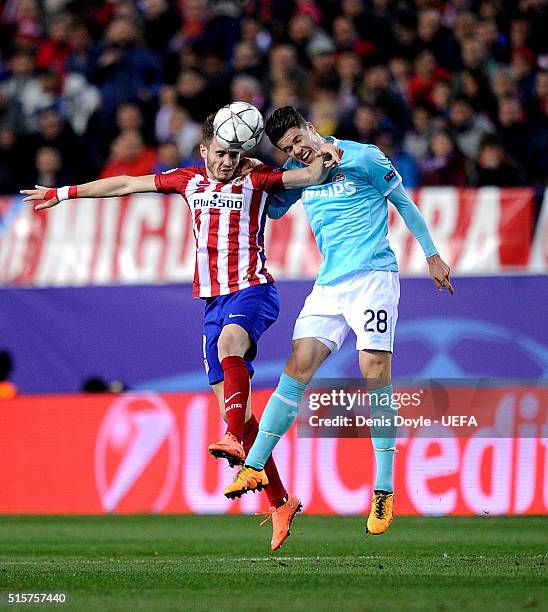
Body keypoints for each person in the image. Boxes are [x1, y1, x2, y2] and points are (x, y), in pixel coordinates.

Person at [21, 112, 341, 550]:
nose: (228, 162)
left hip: (253, 291)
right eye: (222, 153)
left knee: (232, 355)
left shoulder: (258, 180)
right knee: (239, 411)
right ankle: (280, 499)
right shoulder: (186, 181)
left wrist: (324, 155)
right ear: (204, 150)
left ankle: (231, 438)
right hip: (212, 303)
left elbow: (308, 175)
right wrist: (63, 193)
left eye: (235, 154)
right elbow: (123, 184)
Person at [223, 106, 453, 537]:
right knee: (297, 368)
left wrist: (432, 254)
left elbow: (403, 202)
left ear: (311, 127)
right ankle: (254, 467)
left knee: (374, 370)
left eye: (299, 140)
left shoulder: (363, 158)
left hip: (373, 277)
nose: (297, 151)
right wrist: (260, 172)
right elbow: (273, 210)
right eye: (288, 149)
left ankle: (383, 489)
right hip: (329, 285)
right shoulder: (298, 170)